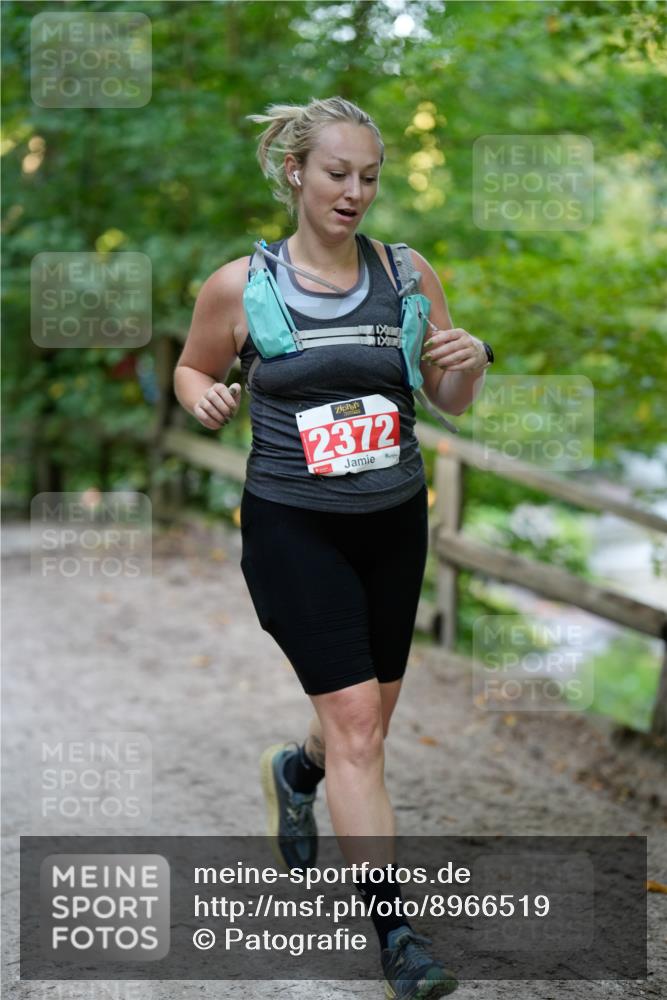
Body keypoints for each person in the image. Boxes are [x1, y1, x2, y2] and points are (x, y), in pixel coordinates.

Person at [174, 96, 492, 1000]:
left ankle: (295, 770)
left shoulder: (405, 272)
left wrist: (464, 360)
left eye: (369, 177)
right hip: (291, 525)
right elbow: (196, 363)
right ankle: (396, 934)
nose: (355, 192)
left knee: (363, 724)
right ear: (295, 174)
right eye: (336, 174)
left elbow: (451, 396)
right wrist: (200, 393)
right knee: (360, 727)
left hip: (393, 522)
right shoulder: (242, 284)